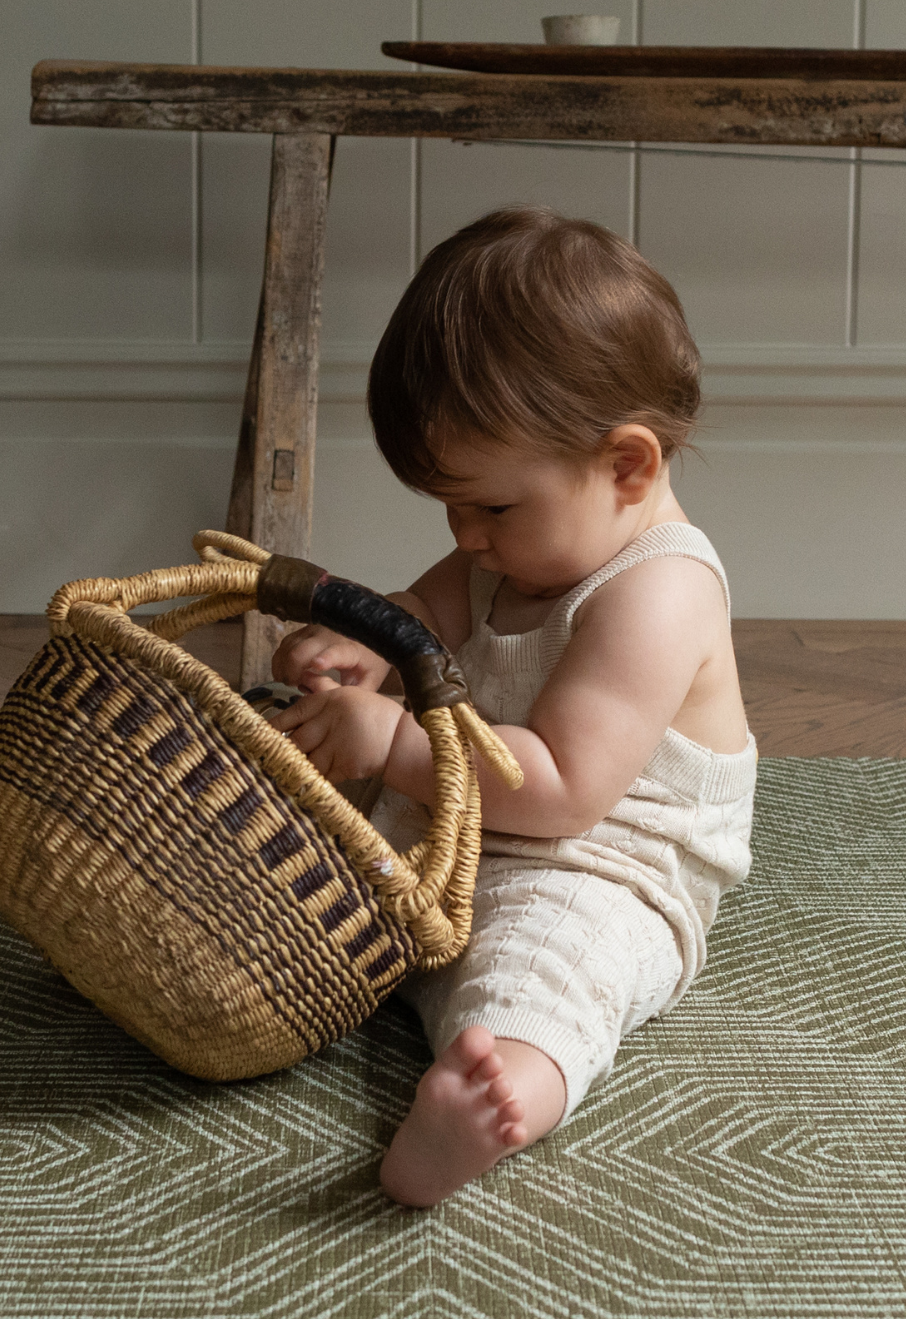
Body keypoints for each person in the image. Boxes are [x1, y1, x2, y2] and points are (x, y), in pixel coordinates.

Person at [269, 206, 756, 1208]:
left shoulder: (659, 591)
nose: (467, 534)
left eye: (490, 505)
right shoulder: (511, 543)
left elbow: (571, 789)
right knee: (293, 847)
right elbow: (421, 620)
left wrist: (396, 738)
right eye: (450, 507)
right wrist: (360, 644)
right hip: (458, 824)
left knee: (538, 973)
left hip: (595, 860)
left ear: (627, 466)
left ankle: (501, 1100)